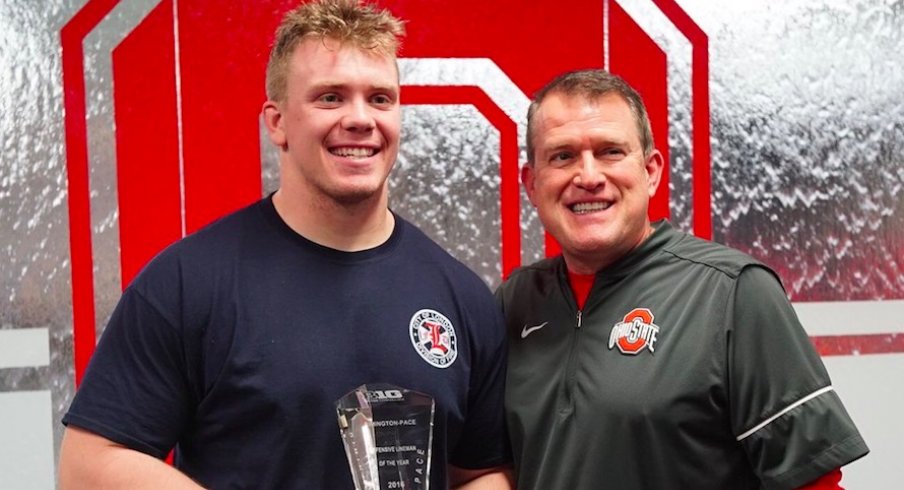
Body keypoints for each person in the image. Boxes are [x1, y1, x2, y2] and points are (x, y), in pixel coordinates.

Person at [58, 1, 512, 488]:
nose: (360, 119)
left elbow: (482, 473)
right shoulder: (192, 283)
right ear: (277, 123)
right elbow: (90, 465)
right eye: (330, 98)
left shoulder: (460, 297)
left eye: (380, 99)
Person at [497, 69, 868, 489]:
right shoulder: (514, 302)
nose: (588, 176)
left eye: (611, 152)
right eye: (562, 156)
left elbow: (815, 482)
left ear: (651, 171)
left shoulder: (732, 292)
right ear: (531, 183)